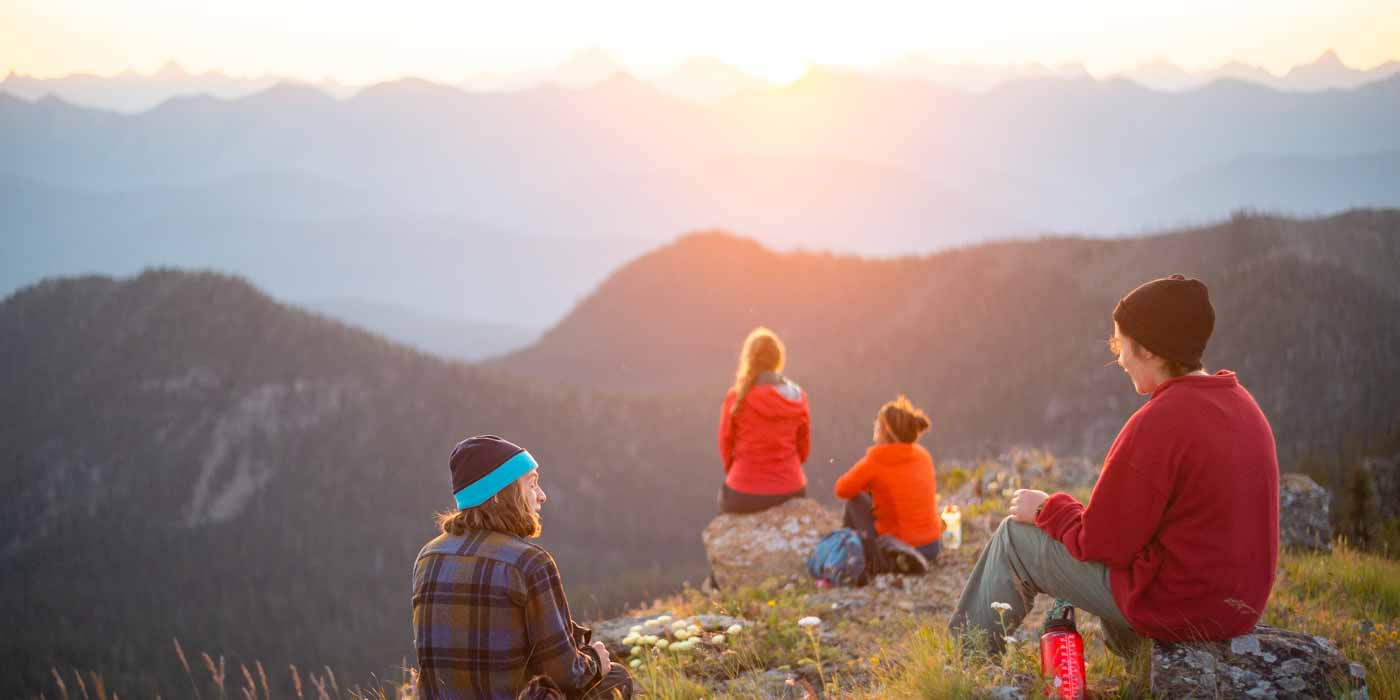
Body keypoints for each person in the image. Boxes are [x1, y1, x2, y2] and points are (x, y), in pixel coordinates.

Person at [949, 274, 1279, 657]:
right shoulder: (1241, 404)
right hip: (1232, 607)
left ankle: (963, 665)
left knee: (1014, 539)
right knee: (1124, 556)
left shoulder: (1161, 422)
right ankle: (1142, 665)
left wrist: (1045, 509)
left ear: (1152, 351)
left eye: (1122, 345)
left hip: (1180, 607)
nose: (1118, 358)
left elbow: (1103, 544)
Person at [412, 435, 633, 700]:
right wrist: (595, 660)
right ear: (498, 495)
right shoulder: (529, 563)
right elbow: (565, 674)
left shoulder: (427, 557)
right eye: (532, 484)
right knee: (616, 679)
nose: (542, 496)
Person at [833, 395, 942, 574]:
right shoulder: (923, 455)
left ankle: (853, 557)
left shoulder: (876, 461)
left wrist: (869, 486)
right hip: (931, 546)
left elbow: (842, 489)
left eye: (878, 422)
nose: (875, 424)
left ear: (885, 430)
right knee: (871, 494)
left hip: (901, 547)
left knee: (855, 500)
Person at [716, 327, 812, 514]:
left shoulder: (736, 398)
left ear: (748, 359)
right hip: (791, 492)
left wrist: (740, 473)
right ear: (778, 359)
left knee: (722, 501)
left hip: (743, 495)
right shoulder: (798, 398)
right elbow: (804, 451)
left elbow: (725, 446)